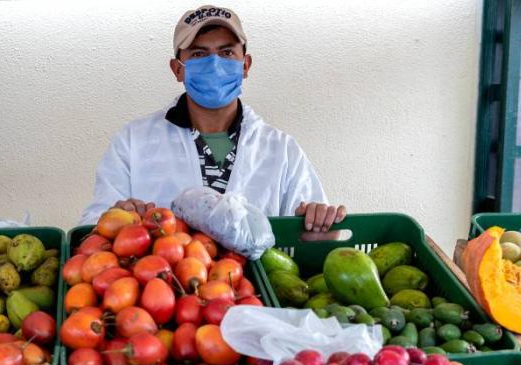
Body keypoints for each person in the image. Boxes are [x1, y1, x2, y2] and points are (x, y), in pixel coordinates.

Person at [80, 5, 346, 237]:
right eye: (198, 54)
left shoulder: (282, 150)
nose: (214, 64)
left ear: (246, 65)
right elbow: (93, 229)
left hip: (256, 293)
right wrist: (116, 218)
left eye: (227, 52)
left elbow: (305, 241)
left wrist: (318, 226)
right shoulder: (133, 142)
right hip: (166, 289)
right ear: (177, 69)